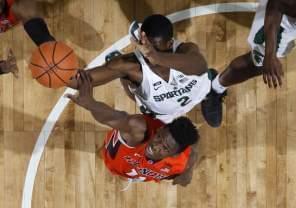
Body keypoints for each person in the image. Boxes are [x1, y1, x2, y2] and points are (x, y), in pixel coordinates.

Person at [69, 14, 224, 127]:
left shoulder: (186, 50)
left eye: (155, 49)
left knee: (206, 79)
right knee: (133, 87)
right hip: (162, 116)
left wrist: (156, 57)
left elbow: (200, 65)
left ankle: (212, 94)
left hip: (197, 94)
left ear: (170, 43)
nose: (149, 55)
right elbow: (78, 80)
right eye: (146, 48)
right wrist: (55, 70)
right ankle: (123, 78)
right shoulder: (130, 65)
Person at [66, 70, 200, 186]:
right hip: (116, 154)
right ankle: (125, 75)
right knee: (101, 154)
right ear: (160, 129)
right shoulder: (139, 129)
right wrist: (90, 103)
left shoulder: (181, 161)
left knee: (125, 174)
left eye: (165, 148)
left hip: (134, 171)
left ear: (175, 153)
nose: (156, 145)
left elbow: (193, 152)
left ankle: (127, 77)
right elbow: (111, 118)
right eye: (159, 137)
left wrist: (188, 173)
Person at [210, 0, 296, 98]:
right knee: (255, 65)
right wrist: (269, 54)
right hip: (281, 21)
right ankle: (214, 88)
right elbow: (277, 3)